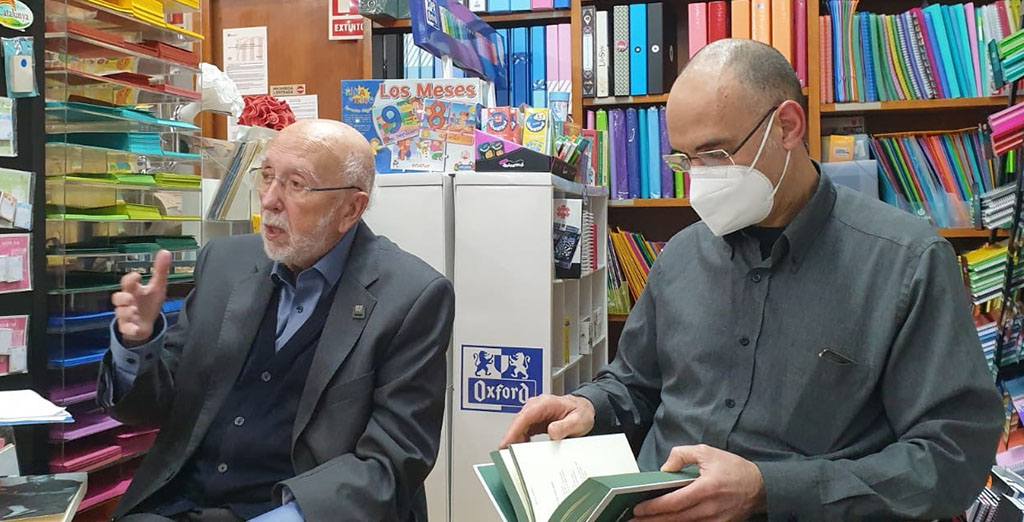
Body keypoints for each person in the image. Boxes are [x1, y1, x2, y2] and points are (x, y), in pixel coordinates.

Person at [500, 39, 1004, 521]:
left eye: (714, 155)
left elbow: (952, 456)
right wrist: (588, 405)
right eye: (684, 159)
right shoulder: (679, 256)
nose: (698, 178)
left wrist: (768, 489)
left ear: (787, 126)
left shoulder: (906, 262)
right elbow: (636, 383)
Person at [97, 119, 454, 522]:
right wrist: (138, 345)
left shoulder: (411, 296)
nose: (268, 199)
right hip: (180, 506)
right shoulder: (226, 264)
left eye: (295, 184)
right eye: (266, 177)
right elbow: (160, 406)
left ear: (350, 208)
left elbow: (391, 463)